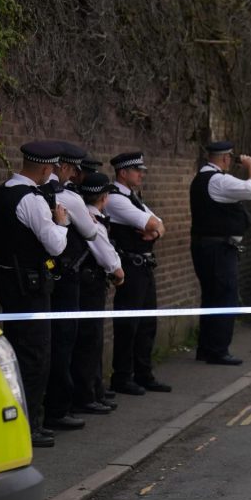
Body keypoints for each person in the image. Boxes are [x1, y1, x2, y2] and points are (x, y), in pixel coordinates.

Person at [0, 140, 69, 448]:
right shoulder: (31, 200)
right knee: (35, 355)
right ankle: (29, 425)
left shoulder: (2, 192)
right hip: (31, 287)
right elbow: (55, 245)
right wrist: (61, 224)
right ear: (47, 169)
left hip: (8, 283)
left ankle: (16, 419)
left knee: (17, 353)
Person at [42, 142, 99, 431]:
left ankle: (42, 409)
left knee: (42, 345)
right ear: (63, 167)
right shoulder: (70, 198)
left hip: (41, 278)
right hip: (67, 279)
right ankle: (58, 409)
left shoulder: (37, 193)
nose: (76, 175)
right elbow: (90, 232)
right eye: (74, 169)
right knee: (64, 342)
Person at [190, 140, 251, 366]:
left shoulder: (201, 178)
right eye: (230, 157)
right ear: (225, 158)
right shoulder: (219, 181)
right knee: (225, 297)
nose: (231, 161)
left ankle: (206, 347)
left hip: (204, 246)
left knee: (211, 297)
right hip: (218, 249)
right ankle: (219, 350)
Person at [106, 151, 170, 395]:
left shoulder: (132, 196)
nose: (141, 174)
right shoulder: (115, 199)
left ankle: (143, 374)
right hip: (129, 268)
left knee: (147, 323)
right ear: (123, 173)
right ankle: (122, 377)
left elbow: (160, 223)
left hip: (143, 266)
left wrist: (156, 231)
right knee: (128, 324)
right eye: (137, 170)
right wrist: (154, 229)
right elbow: (152, 224)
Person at [69, 171, 125, 416]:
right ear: (104, 197)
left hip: (87, 286)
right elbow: (110, 261)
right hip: (90, 287)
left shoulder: (88, 217)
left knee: (90, 342)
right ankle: (86, 396)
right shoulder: (93, 222)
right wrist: (118, 273)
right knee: (89, 343)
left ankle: (95, 391)